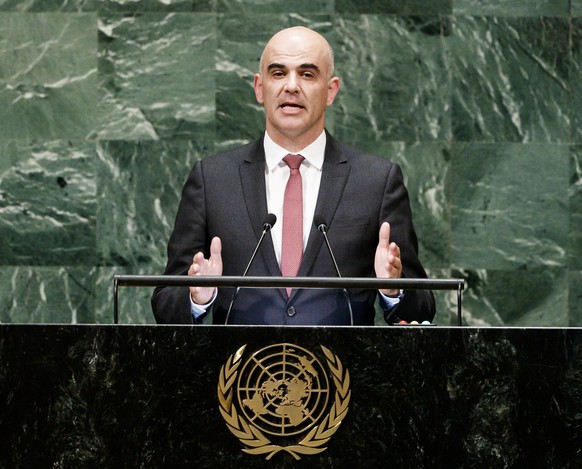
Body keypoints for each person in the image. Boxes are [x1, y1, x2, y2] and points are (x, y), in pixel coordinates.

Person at [151, 26, 435, 325]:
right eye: (278, 73)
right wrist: (197, 296)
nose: (291, 86)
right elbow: (166, 304)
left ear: (331, 90)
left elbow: (422, 309)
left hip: (342, 370)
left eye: (307, 74)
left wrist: (393, 287)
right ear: (259, 88)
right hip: (240, 369)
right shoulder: (212, 179)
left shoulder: (377, 180)